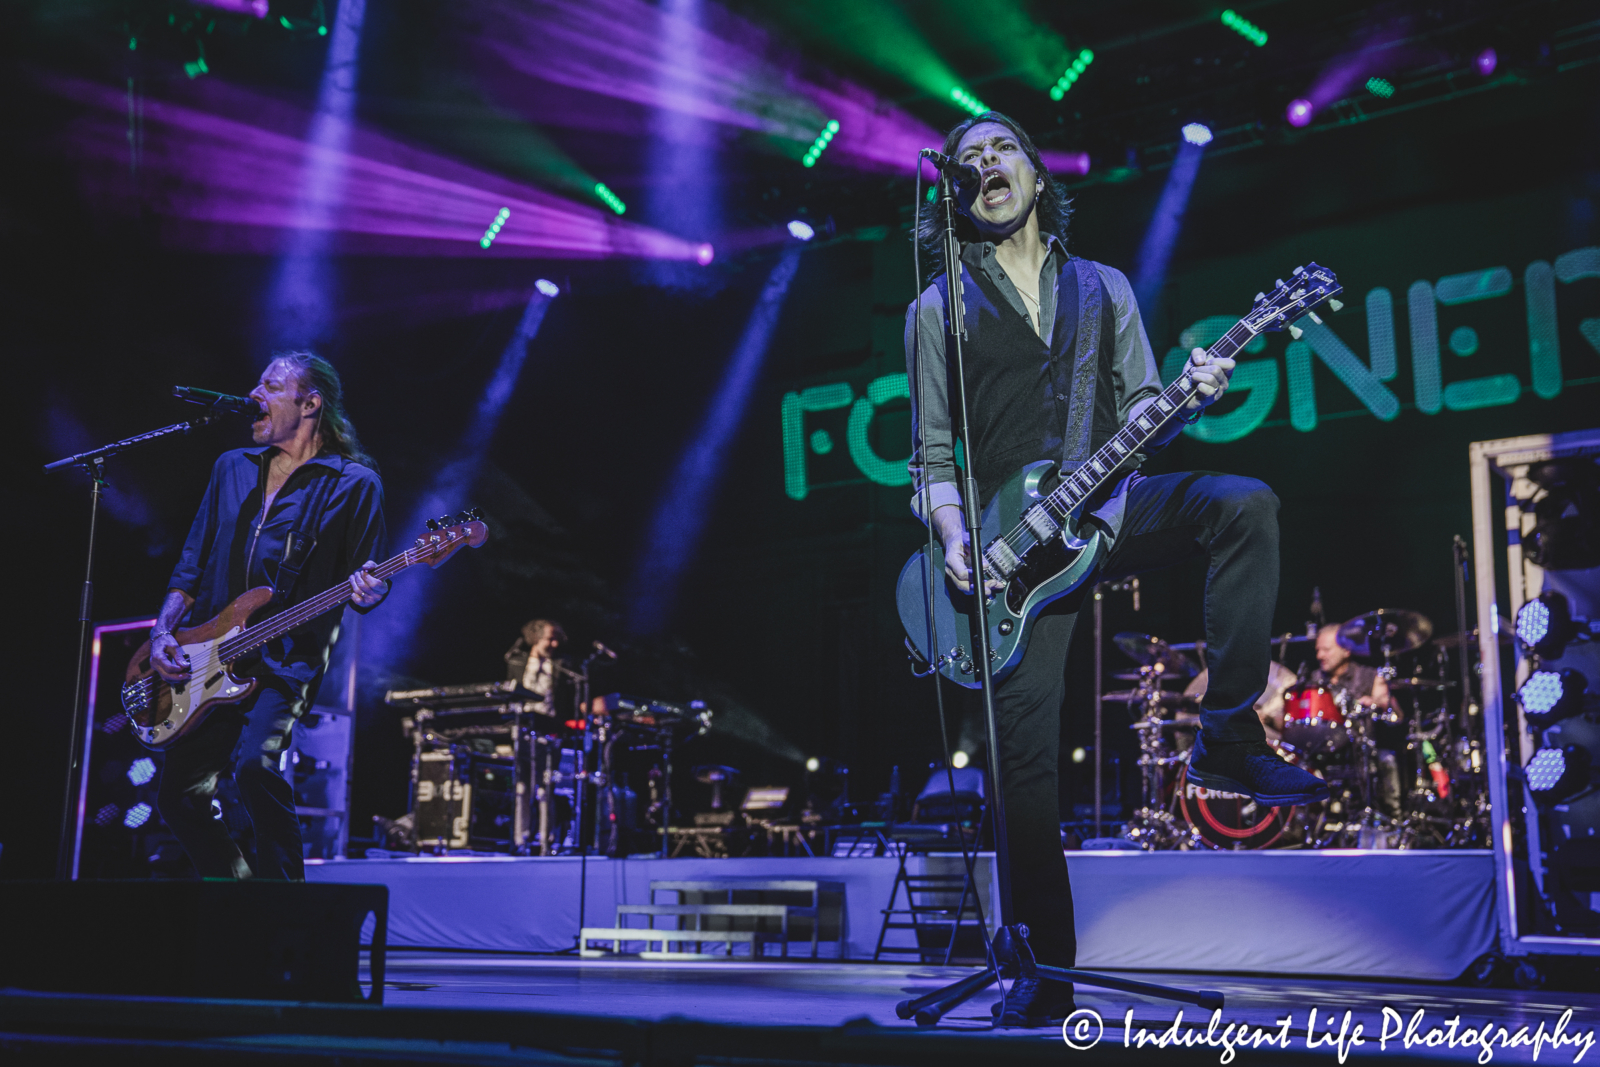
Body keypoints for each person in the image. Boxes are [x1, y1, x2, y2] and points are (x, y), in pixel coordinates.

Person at [905, 111, 1328, 1027]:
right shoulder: (936, 306)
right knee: (1023, 766)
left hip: (1103, 508)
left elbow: (1142, 413)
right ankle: (1042, 970)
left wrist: (1188, 395)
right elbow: (933, 455)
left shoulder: (1103, 288)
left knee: (1241, 501)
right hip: (1006, 559)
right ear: (955, 188)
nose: (987, 165)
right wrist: (953, 539)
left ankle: (1229, 737)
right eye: (970, 159)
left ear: (1035, 171)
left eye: (1002, 149)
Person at [149, 352, 387, 881]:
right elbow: (190, 564)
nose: (255, 393)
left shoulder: (353, 484)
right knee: (179, 797)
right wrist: (164, 631)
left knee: (256, 768)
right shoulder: (231, 467)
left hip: (285, 662)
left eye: (270, 385)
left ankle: (286, 914)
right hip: (210, 656)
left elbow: (369, 578)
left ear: (309, 403)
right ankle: (237, 893)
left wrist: (373, 590)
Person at [504, 619, 568, 712]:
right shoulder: (517, 663)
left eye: (556, 639)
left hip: (550, 721)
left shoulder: (561, 664)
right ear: (536, 638)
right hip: (522, 720)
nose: (555, 644)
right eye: (550, 639)